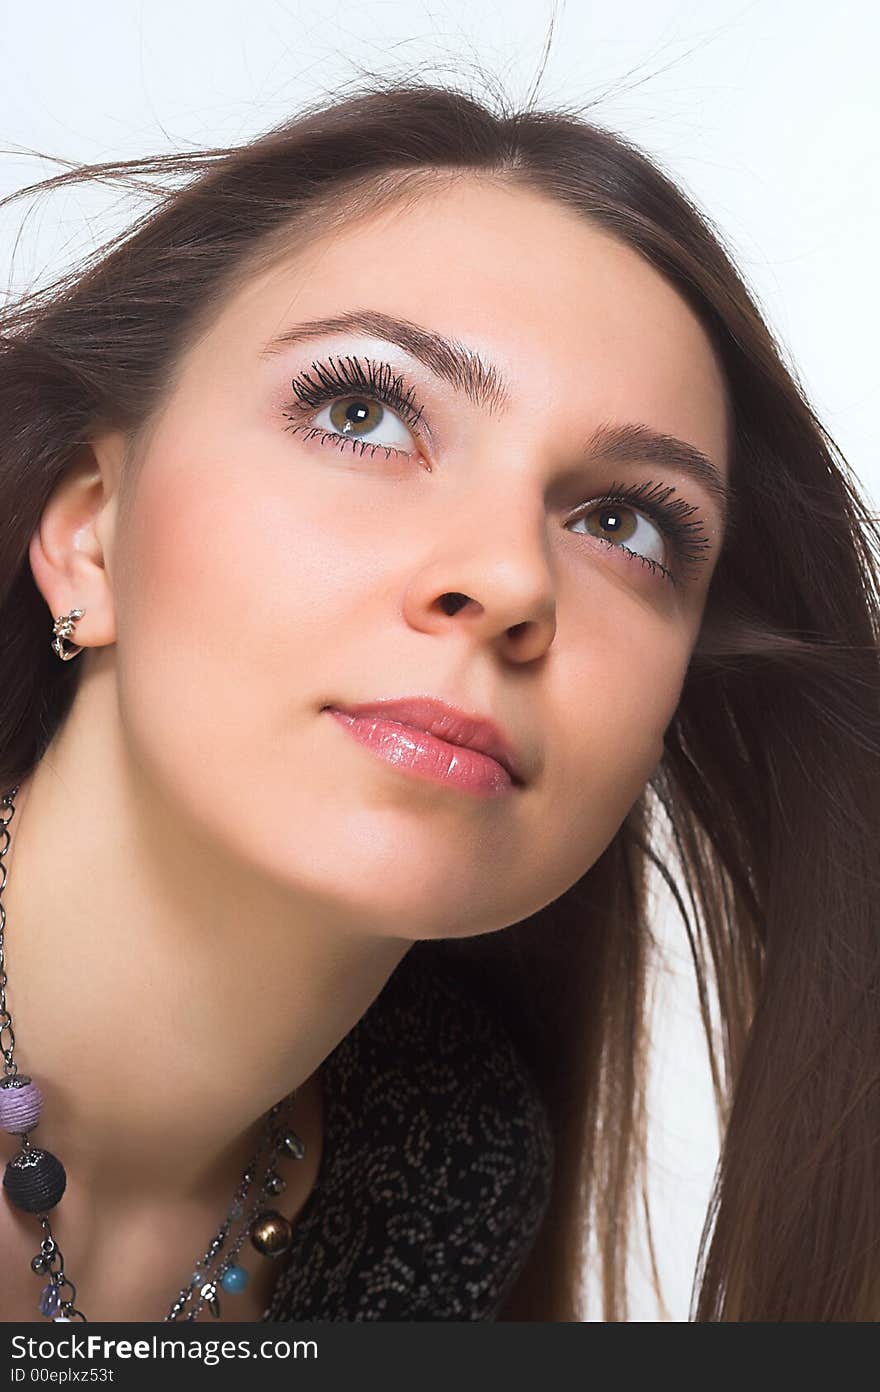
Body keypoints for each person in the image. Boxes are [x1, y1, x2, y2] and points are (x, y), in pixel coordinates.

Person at [0, 74, 877, 1325]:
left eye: (621, 523)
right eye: (360, 412)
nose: (511, 579)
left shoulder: (446, 1174)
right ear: (91, 535)